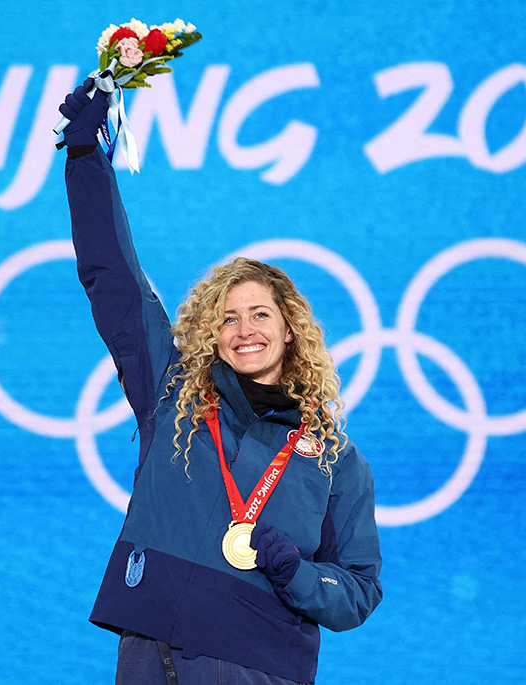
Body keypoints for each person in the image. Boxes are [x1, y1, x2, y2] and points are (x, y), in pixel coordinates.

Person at [60, 79, 383, 685]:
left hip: (257, 665)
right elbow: (115, 277)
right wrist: (84, 160)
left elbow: (359, 592)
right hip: (149, 648)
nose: (244, 329)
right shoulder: (175, 394)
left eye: (261, 314)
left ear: (291, 330)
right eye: (227, 318)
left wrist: (296, 572)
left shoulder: (336, 460)